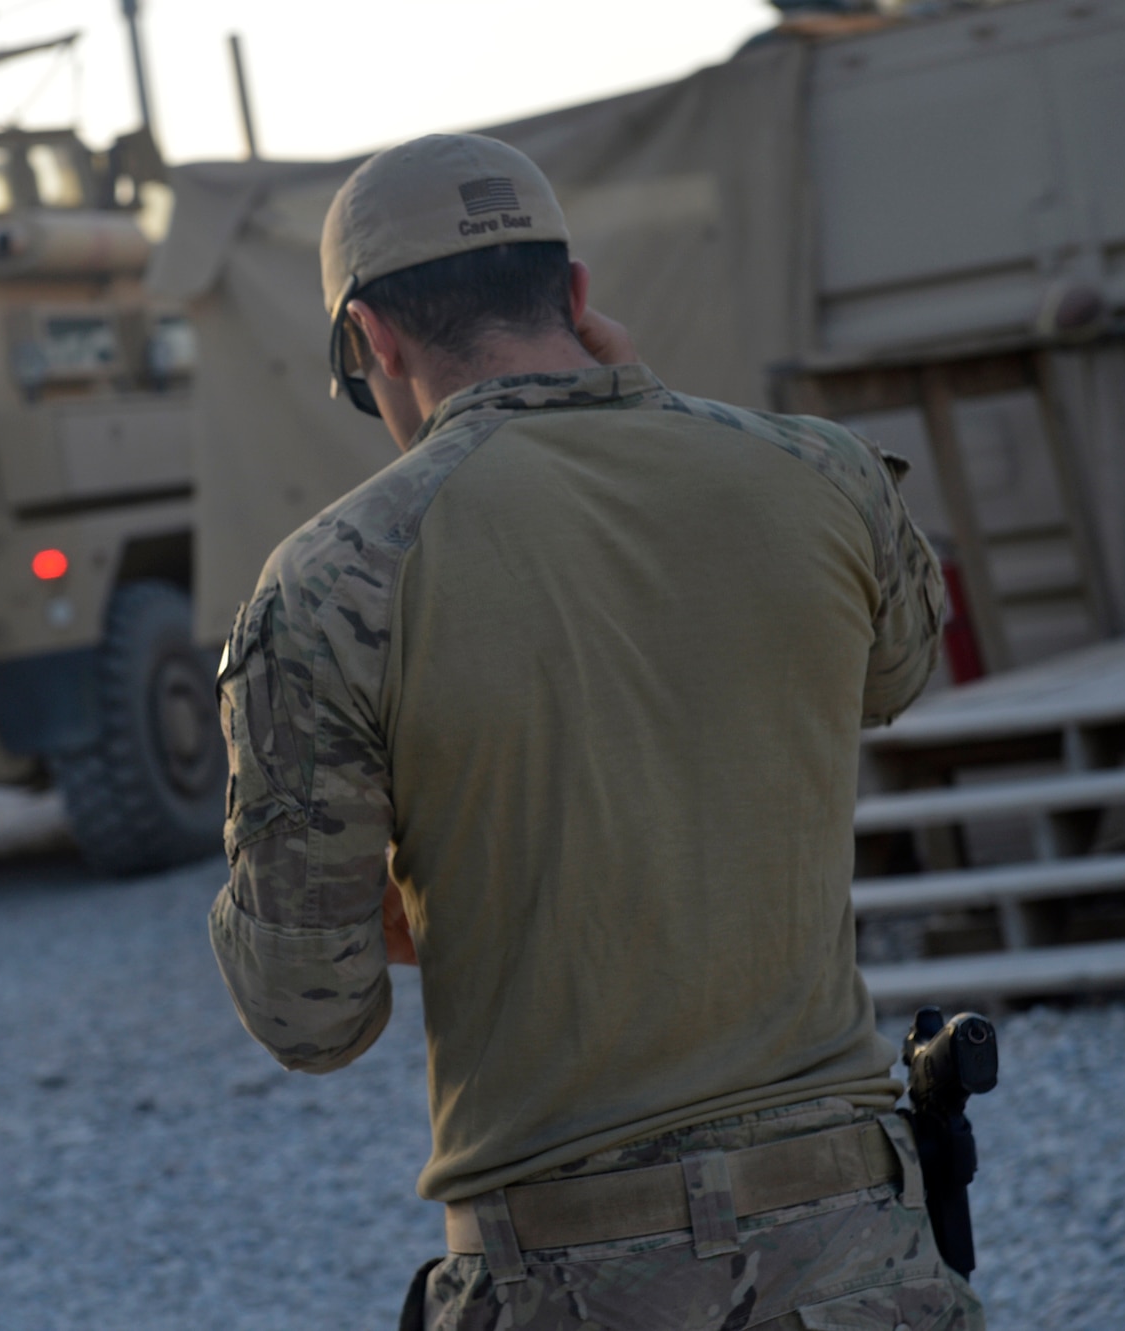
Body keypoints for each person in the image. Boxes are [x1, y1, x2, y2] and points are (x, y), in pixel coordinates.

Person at [208, 135, 976, 1329]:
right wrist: (660, 417)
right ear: (574, 293)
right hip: (861, 1259)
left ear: (371, 341)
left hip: (566, 1277)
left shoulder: (332, 580)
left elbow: (308, 1012)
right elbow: (895, 672)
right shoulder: (825, 475)